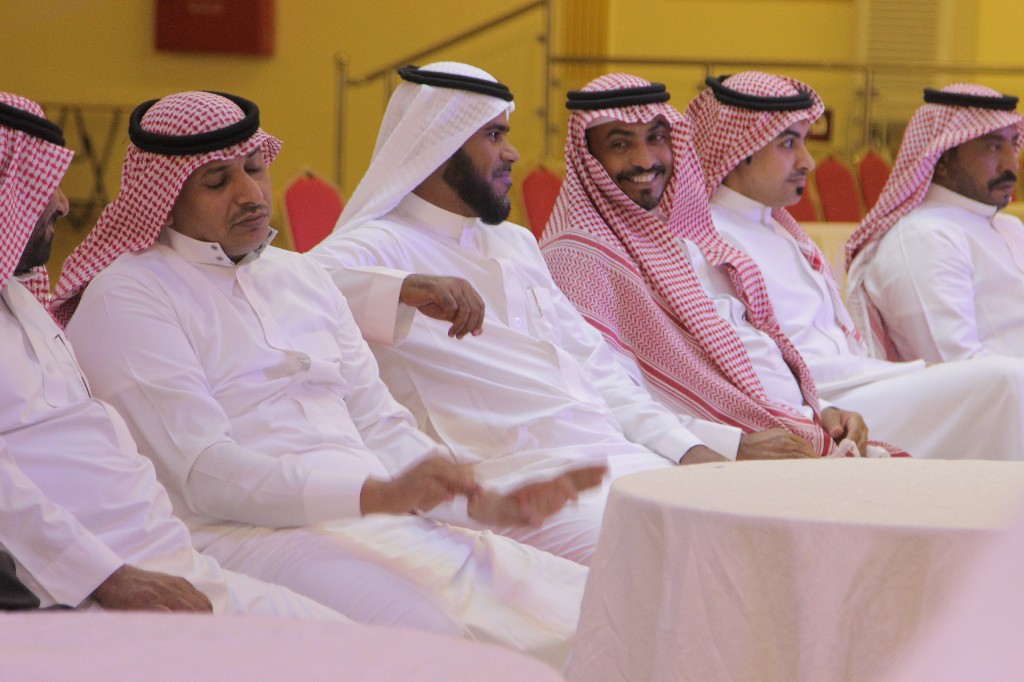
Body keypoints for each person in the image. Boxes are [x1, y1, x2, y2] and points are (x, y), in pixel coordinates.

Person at [57, 89, 592, 668]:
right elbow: (204, 475)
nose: (250, 195)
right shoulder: (130, 295)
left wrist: (476, 502)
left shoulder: (301, 276)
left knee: (588, 605)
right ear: (163, 199)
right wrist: (375, 496)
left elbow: (379, 424)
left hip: (376, 518)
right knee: (441, 642)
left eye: (255, 169)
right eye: (217, 182)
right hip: (248, 534)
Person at [309, 62, 749, 567]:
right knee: (686, 555)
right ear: (437, 144)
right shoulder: (372, 245)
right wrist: (404, 287)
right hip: (514, 481)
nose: (512, 153)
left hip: (613, 456)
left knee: (749, 526)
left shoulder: (514, 242)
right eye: (494, 135)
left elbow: (595, 365)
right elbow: (297, 291)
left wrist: (685, 447)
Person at [0, 90, 346, 620]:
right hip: (89, 591)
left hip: (162, 559)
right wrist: (102, 576)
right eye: (38, 187)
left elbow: (316, 279)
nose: (64, 205)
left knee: (353, 636)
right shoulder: (129, 294)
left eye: (255, 169)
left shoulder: (22, 300)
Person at [541, 72, 890, 458]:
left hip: (778, 426)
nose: (645, 160)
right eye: (621, 144)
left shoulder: (682, 242)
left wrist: (822, 410)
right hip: (687, 453)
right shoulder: (575, 258)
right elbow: (606, 387)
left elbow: (747, 350)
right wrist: (731, 446)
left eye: (656, 138)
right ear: (588, 156)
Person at [685, 71, 1024, 461]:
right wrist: (814, 413)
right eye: (789, 143)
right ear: (737, 149)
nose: (807, 162)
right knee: (1005, 381)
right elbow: (742, 368)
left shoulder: (784, 233)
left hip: (860, 384)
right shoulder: (705, 242)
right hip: (819, 407)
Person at [846, 84, 1024, 364]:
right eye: (993, 147)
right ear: (941, 160)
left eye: (1013, 145)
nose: (1011, 166)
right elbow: (956, 367)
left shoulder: (1010, 227)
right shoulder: (923, 237)